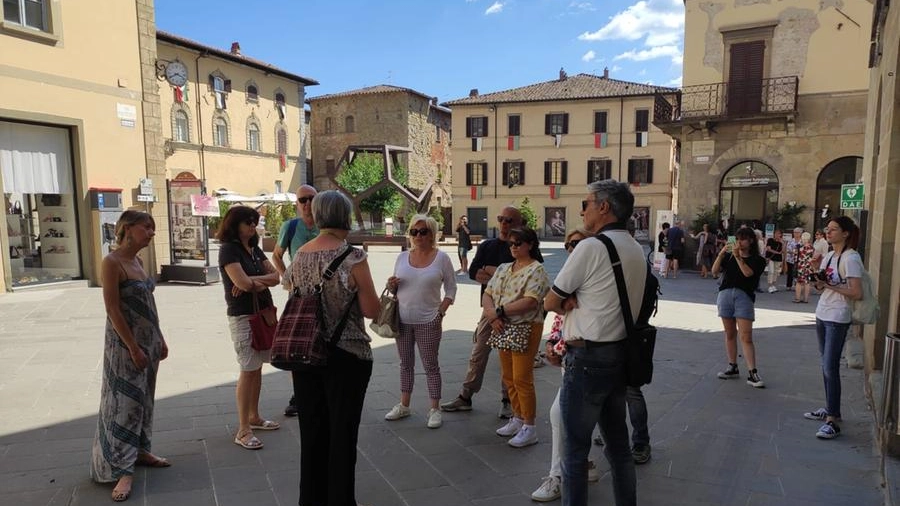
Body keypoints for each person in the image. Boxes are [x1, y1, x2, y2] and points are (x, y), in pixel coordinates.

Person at [544, 179, 645, 506]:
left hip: (587, 359)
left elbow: (549, 300)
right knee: (618, 447)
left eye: (586, 203)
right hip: (619, 355)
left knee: (573, 452)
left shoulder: (590, 247)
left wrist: (564, 300)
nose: (582, 209)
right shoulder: (635, 247)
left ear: (604, 207)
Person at [289, 190, 380, 504]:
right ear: (345, 216)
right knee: (342, 434)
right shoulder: (353, 256)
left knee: (312, 434)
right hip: (347, 355)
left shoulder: (301, 254)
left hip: (304, 352)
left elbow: (293, 294)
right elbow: (371, 310)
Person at [91, 211, 169, 502]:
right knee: (125, 402)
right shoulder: (112, 262)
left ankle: (141, 449)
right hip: (125, 345)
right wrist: (133, 347)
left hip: (148, 342)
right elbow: (112, 309)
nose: (151, 233)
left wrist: (159, 338)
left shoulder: (138, 260)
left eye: (153, 228)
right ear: (127, 228)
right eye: (146, 227)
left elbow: (149, 303)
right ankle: (122, 468)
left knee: (145, 398)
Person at [441, 206, 543, 418]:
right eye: (501, 219)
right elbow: (474, 272)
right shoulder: (488, 245)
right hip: (489, 311)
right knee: (478, 353)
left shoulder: (528, 250)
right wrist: (497, 279)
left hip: (516, 317)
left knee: (511, 362)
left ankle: (509, 403)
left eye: (510, 220)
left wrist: (491, 271)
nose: (504, 224)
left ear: (519, 223)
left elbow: (528, 277)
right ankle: (465, 396)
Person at [217, 206, 282, 451]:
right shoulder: (228, 250)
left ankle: (254, 417)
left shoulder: (253, 249)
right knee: (248, 368)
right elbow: (240, 283)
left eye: (255, 222)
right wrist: (250, 283)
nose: (253, 227)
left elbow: (276, 277)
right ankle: (243, 429)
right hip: (243, 316)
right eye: (248, 223)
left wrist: (252, 283)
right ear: (235, 225)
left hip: (262, 314)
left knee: (257, 369)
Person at [384, 215, 457, 429]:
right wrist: (391, 284)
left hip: (428, 321)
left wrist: (440, 312)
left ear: (432, 234)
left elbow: (451, 288)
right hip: (402, 320)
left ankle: (435, 409)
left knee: (430, 366)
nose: (417, 236)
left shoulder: (441, 258)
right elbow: (395, 288)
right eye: (414, 232)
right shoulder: (403, 257)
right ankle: (404, 405)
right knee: (405, 365)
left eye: (423, 231)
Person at [483, 227, 549, 447]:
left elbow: (530, 301)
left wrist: (498, 312)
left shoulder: (536, 270)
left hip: (526, 326)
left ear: (530, 244)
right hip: (502, 326)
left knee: (522, 378)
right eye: (511, 243)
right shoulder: (503, 268)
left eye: (518, 243)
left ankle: (530, 426)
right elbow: (488, 293)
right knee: (508, 376)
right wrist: (492, 317)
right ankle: (518, 417)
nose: (513, 246)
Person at [807, 216, 863, 439]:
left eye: (833, 230)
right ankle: (831, 409)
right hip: (822, 313)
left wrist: (829, 284)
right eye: (827, 229)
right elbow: (822, 288)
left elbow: (856, 292)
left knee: (830, 367)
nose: (828, 233)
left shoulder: (851, 258)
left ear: (846, 233)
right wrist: (816, 277)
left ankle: (833, 420)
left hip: (838, 317)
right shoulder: (829, 256)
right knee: (825, 364)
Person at [271, 184, 319, 417]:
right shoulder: (290, 227)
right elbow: (277, 255)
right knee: (297, 344)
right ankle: (299, 394)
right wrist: (286, 277)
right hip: (298, 294)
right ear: (297, 203)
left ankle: (320, 391)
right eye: (303, 200)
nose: (307, 203)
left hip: (324, 294)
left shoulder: (325, 225)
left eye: (311, 198)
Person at [712, 227, 767, 388]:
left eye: (743, 239)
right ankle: (732, 365)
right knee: (729, 333)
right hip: (725, 295)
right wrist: (722, 253)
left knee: (746, 335)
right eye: (737, 239)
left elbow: (748, 274)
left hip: (744, 297)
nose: (739, 242)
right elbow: (715, 272)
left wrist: (738, 257)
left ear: (751, 241)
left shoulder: (758, 260)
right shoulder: (728, 256)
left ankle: (752, 372)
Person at [793, 232, 815, 304]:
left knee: (799, 283)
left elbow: (795, 256)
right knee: (807, 283)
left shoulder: (799, 246)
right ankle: (806, 299)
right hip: (808, 266)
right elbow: (812, 257)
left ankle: (797, 298)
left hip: (800, 266)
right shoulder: (811, 247)